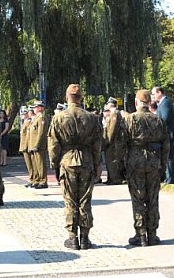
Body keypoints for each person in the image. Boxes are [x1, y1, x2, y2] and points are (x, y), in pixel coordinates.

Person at [49, 84, 102, 250]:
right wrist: (97, 163)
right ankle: (85, 238)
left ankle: (72, 238)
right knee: (85, 200)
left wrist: (54, 164)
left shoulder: (58, 118)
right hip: (86, 161)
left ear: (66, 97)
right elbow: (97, 144)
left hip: (67, 161)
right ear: (81, 98)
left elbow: (53, 144)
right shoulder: (92, 118)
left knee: (70, 200)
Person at [124, 89, 170, 247]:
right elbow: (166, 145)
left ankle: (140, 234)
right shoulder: (157, 120)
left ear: (137, 102)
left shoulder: (130, 119)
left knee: (138, 198)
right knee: (152, 199)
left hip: (135, 162)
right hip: (153, 161)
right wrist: (163, 165)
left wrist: (123, 165)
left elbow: (121, 145)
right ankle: (152, 234)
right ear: (150, 102)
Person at [152, 86, 174, 185]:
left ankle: (170, 179)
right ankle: (168, 178)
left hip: (168, 134)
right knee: (166, 156)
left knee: (169, 157)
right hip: (165, 133)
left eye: (154, 94)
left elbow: (165, 119)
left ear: (159, 93)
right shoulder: (162, 103)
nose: (153, 96)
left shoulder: (165, 103)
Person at [103, 98, 126, 185]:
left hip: (114, 142)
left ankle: (115, 178)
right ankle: (111, 178)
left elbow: (112, 129)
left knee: (113, 160)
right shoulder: (113, 114)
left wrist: (108, 140)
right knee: (110, 160)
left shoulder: (115, 114)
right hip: (114, 142)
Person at [27, 100, 49, 189]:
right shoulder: (36, 118)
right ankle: (37, 180)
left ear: (39, 108)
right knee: (35, 164)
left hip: (39, 145)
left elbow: (41, 132)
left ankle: (43, 181)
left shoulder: (41, 118)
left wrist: (37, 144)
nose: (33, 109)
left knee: (40, 164)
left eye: (35, 108)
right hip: (33, 145)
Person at [19, 106, 34, 186]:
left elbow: (28, 136)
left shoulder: (29, 122)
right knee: (28, 165)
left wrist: (26, 146)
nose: (22, 115)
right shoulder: (25, 122)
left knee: (30, 164)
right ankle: (32, 179)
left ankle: (33, 179)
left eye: (24, 113)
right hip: (24, 145)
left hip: (27, 145)